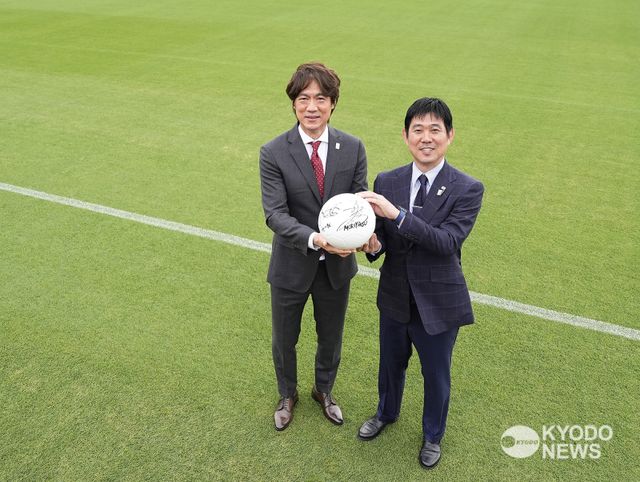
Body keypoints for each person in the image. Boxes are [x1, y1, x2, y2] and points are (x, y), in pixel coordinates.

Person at [356, 97, 483, 468]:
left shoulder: (468, 188)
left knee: (436, 374)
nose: (426, 138)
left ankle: (432, 436)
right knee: (390, 365)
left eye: (435, 130)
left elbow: (446, 242)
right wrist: (372, 244)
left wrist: (396, 214)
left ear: (449, 136)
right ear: (406, 135)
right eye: (418, 130)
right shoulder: (387, 180)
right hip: (394, 295)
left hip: (438, 301)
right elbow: (381, 239)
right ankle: (386, 412)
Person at [259, 62, 368, 431]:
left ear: (333, 103)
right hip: (291, 264)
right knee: (284, 339)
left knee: (331, 337)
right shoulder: (273, 151)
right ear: (293, 103)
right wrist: (317, 239)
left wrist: (360, 236)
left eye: (321, 98)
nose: (312, 107)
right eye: (304, 98)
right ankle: (286, 394)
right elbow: (275, 214)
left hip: (337, 268)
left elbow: (359, 204)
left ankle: (324, 390)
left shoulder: (352, 147)